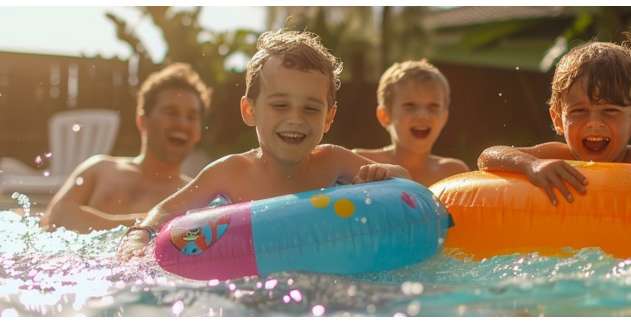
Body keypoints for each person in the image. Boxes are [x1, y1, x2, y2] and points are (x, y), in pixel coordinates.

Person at [116, 29, 410, 261]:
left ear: (328, 118)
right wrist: (139, 235)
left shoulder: (334, 163)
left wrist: (384, 173)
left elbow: (407, 187)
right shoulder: (230, 172)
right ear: (250, 110)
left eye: (310, 109)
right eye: (280, 105)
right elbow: (165, 211)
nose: (295, 119)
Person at [476, 33, 631, 206]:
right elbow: (488, 156)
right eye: (579, 111)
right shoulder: (556, 157)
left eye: (610, 111)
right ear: (558, 120)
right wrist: (531, 165)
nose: (594, 122)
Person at [40, 63, 210, 232]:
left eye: (191, 116)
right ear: (143, 121)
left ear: (199, 133)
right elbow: (55, 218)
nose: (182, 123)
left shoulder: (197, 194)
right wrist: (158, 221)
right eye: (171, 112)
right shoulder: (100, 169)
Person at [353, 60, 470, 186]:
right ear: (385, 116)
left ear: (444, 117)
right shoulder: (360, 163)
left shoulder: (454, 173)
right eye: (410, 106)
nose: (423, 115)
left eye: (433, 106)